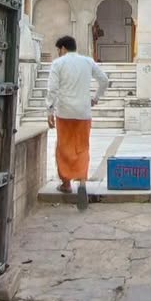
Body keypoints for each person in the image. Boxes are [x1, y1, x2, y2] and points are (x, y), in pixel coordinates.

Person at [47, 34, 108, 211]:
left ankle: (66, 183)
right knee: (82, 147)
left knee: (64, 147)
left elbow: (52, 89)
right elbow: (104, 80)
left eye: (59, 50)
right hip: (83, 112)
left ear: (63, 48)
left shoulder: (58, 64)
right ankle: (82, 182)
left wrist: (49, 110)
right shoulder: (87, 62)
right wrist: (96, 98)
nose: (59, 53)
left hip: (64, 112)